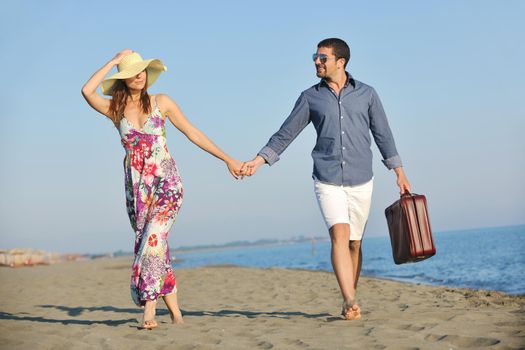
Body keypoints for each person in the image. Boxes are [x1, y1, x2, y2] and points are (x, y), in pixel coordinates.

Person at [241, 38, 411, 320]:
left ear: (340, 61)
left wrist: (399, 172)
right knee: (340, 236)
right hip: (327, 177)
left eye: (322, 58)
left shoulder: (367, 94)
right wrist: (259, 160)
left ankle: (351, 298)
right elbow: (286, 133)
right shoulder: (310, 97)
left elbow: (383, 134)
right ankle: (348, 299)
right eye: (315, 57)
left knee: (355, 243)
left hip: (361, 178)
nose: (316, 62)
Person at [81, 50, 243, 329]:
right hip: (137, 191)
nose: (140, 75)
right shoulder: (115, 110)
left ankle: (149, 311)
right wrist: (111, 62)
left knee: (153, 239)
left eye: (142, 69)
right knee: (155, 247)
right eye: (132, 71)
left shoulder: (161, 101)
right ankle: (177, 315)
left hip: (167, 183)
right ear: (122, 78)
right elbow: (87, 90)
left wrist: (227, 159)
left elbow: (193, 132)